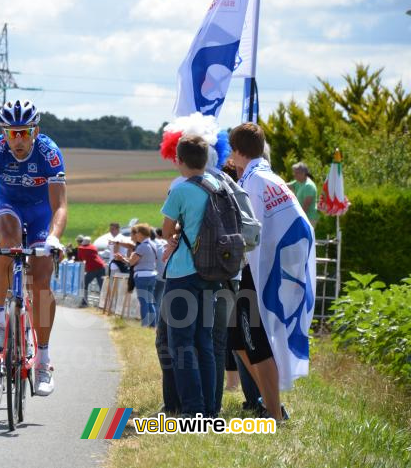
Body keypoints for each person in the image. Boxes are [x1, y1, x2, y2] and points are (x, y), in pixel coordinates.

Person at [0, 99, 67, 397]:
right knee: (6, 245)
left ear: (35, 130)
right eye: (12, 133)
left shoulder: (49, 152)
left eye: (24, 132)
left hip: (40, 213)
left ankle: (44, 361)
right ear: (3, 133)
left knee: (41, 282)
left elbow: (60, 205)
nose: (19, 139)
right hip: (7, 207)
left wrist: (53, 238)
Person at [228, 123, 315, 422]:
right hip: (274, 265)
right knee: (237, 340)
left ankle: (274, 413)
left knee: (255, 341)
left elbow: (248, 233)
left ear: (238, 152)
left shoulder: (252, 181)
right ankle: (270, 401)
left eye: (232, 151)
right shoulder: (269, 176)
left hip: (261, 271)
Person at [160, 135, 219, 417]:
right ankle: (209, 409)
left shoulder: (181, 190)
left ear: (179, 160)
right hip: (212, 272)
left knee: (181, 343)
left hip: (183, 272)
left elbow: (166, 231)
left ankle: (191, 410)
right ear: (206, 160)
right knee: (204, 342)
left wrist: (177, 232)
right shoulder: (218, 186)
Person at [117, 224, 158, 327]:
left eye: (137, 233)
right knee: (150, 301)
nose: (136, 235)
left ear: (140, 233)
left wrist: (122, 259)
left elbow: (131, 262)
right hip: (152, 274)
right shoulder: (153, 244)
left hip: (142, 276)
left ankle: (144, 324)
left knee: (143, 301)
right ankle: (153, 324)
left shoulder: (142, 247)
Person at [75, 235, 105, 308]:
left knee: (84, 284)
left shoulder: (80, 248)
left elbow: (80, 259)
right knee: (102, 286)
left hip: (92, 269)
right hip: (101, 266)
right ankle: (103, 304)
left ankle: (84, 302)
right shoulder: (93, 247)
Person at [288, 162, 319, 227]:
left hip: (308, 219)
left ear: (303, 173)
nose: (294, 175)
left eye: (296, 173)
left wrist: (297, 219)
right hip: (301, 217)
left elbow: (306, 206)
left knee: (304, 237)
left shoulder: (308, 186)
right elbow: (285, 186)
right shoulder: (298, 182)